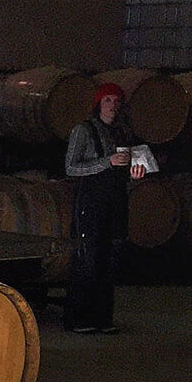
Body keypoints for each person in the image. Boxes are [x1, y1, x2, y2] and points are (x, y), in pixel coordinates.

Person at [63, 83, 146, 334]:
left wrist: (136, 172)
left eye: (116, 101)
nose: (112, 105)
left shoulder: (123, 132)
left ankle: (102, 317)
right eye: (108, 100)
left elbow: (129, 169)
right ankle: (79, 318)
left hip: (116, 199)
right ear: (99, 103)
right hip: (90, 199)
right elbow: (71, 167)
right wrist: (105, 162)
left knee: (110, 258)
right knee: (88, 256)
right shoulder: (84, 130)